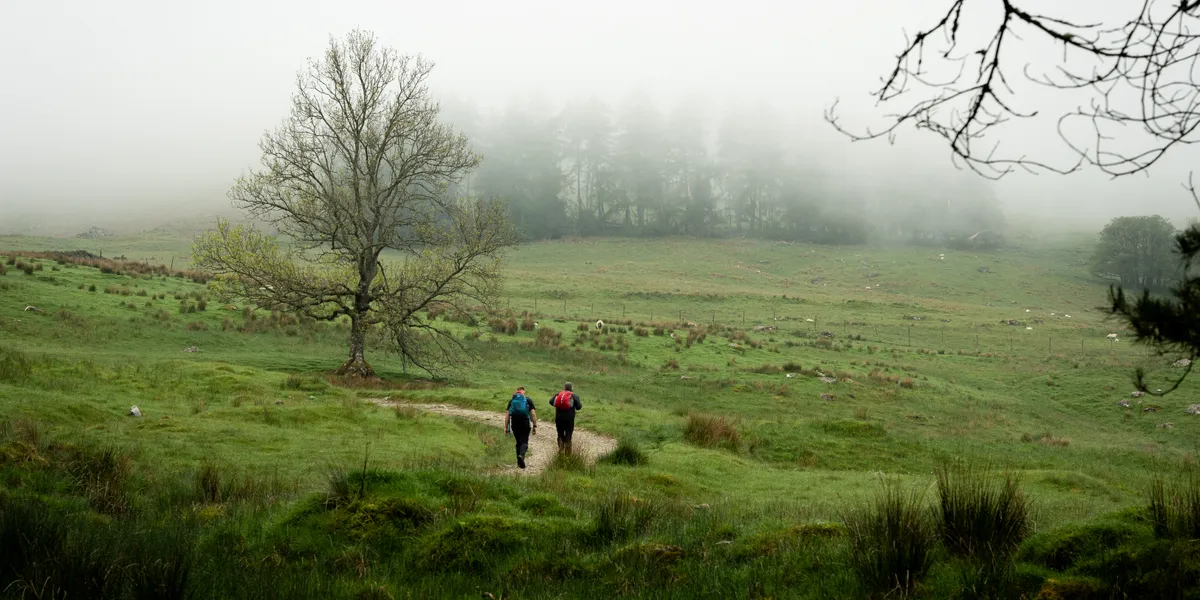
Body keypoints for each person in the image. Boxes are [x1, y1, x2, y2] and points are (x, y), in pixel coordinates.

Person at [504, 387, 537, 469]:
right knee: (524, 442)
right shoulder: (528, 400)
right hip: (525, 422)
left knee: (518, 442)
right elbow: (533, 414)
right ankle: (521, 456)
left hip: (514, 423)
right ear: (523, 392)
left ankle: (519, 463)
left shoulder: (512, 401)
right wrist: (534, 426)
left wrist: (506, 427)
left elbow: (507, 415)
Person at [549, 382, 582, 453]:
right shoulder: (574, 396)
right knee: (568, 435)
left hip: (559, 418)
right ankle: (568, 455)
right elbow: (579, 407)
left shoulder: (558, 395)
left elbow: (551, 401)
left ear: (564, 388)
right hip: (569, 419)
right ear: (571, 388)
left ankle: (560, 449)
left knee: (560, 434)